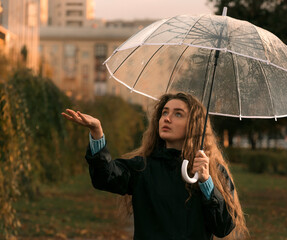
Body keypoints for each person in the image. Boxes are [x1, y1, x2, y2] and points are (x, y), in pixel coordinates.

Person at [62, 92, 248, 240]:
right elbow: (104, 177)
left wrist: (206, 183)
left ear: (194, 124)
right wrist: (97, 133)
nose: (166, 118)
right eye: (164, 112)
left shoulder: (212, 172)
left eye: (178, 114)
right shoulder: (143, 167)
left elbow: (223, 227)